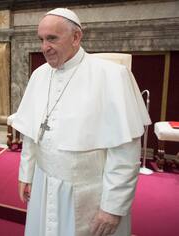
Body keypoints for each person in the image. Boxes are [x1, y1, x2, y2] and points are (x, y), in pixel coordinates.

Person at [9, 8, 151, 236]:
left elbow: (125, 153)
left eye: (52, 38)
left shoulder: (112, 76)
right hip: (44, 185)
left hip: (89, 194)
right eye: (41, 39)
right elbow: (31, 134)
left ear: (76, 37)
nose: (44, 47)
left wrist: (113, 207)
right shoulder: (39, 75)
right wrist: (26, 174)